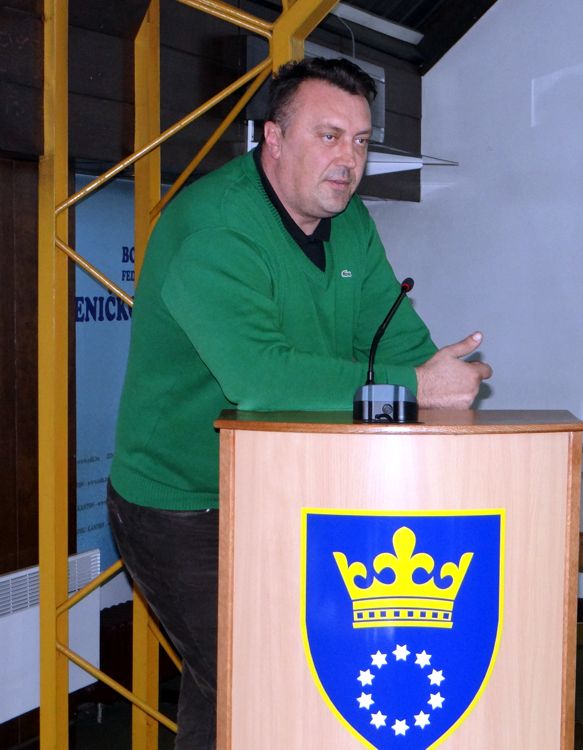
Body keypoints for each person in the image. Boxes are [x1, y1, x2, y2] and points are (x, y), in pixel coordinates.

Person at [106, 56, 491, 749]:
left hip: (284, 486)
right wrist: (417, 386)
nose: (349, 159)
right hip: (182, 501)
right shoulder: (214, 227)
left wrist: (440, 379)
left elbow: (401, 346)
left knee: (234, 689)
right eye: (329, 135)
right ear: (273, 139)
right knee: (256, 683)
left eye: (361, 141)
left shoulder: (352, 224)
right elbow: (261, 380)